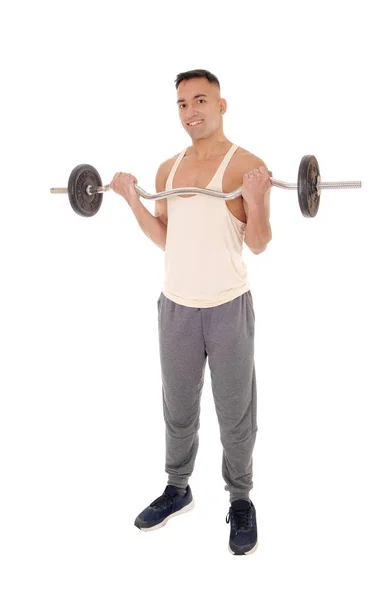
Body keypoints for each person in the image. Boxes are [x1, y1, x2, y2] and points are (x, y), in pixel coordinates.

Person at [110, 69, 272, 555]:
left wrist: (259, 200)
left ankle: (240, 499)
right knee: (177, 410)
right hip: (176, 307)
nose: (191, 112)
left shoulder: (246, 164)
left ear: (222, 106)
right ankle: (177, 489)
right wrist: (130, 200)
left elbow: (259, 244)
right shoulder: (168, 170)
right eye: (182, 104)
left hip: (227, 307)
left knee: (235, 413)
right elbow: (166, 237)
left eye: (200, 100)